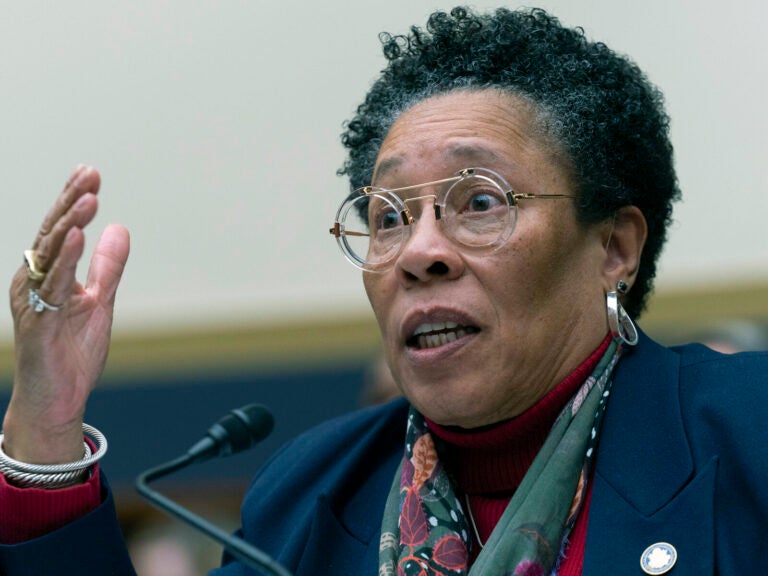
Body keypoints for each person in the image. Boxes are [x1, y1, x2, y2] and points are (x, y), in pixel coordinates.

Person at [1, 6, 766, 575]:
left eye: (479, 202)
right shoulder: (309, 494)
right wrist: (48, 416)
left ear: (614, 247)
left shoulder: (745, 431)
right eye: (388, 216)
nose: (420, 251)